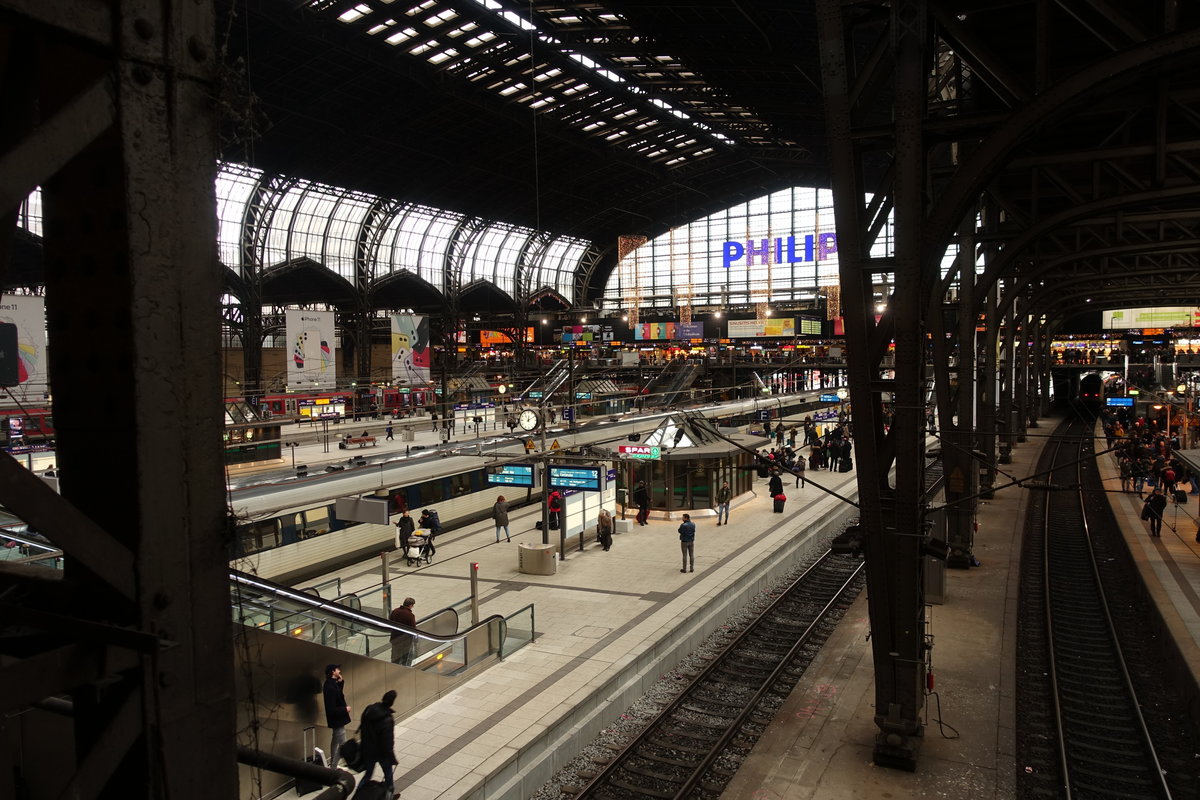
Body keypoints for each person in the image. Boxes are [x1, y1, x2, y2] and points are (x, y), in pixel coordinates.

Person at [356, 690, 398, 799]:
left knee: (368, 775)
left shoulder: (369, 709)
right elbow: (387, 742)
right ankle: (389, 796)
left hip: (368, 749)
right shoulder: (387, 719)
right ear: (392, 702)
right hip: (381, 752)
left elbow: (363, 726)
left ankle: (357, 795)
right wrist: (392, 758)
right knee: (388, 775)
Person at [322, 664, 350, 769]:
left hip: (337, 719)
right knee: (343, 745)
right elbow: (331, 707)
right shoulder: (330, 687)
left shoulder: (332, 683)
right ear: (333, 672)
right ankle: (333, 767)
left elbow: (338, 694)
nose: (340, 671)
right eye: (338, 669)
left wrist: (341, 682)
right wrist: (345, 709)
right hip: (337, 719)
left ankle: (333, 765)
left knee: (335, 740)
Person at [389, 597, 417, 665]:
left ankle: (393, 669)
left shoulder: (395, 611)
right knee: (405, 657)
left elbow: (390, 621)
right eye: (412, 606)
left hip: (395, 638)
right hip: (405, 640)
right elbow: (413, 629)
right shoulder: (410, 615)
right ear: (410, 605)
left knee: (395, 657)